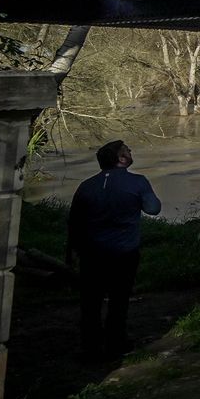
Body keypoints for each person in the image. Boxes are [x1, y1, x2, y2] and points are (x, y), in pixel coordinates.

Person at [66, 140, 162, 357]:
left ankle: (90, 347)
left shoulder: (86, 186)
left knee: (90, 302)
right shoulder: (137, 182)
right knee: (119, 300)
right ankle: (115, 344)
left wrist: (70, 254)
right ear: (121, 159)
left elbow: (74, 223)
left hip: (91, 254)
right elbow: (153, 209)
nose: (130, 151)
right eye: (127, 150)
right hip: (124, 253)